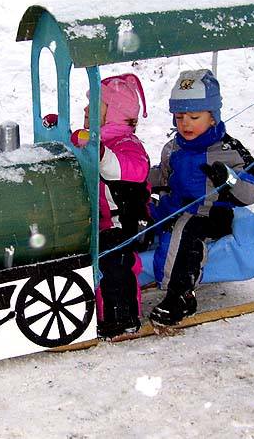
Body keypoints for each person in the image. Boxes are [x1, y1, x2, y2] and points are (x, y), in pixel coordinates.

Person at [148, 69, 254, 326]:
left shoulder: (228, 149)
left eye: (194, 117)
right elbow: (163, 177)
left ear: (213, 117)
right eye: (179, 117)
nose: (185, 124)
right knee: (142, 216)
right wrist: (137, 180)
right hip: (175, 208)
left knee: (187, 229)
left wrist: (229, 179)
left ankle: (180, 296)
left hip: (213, 214)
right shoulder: (174, 147)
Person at [72, 73, 151, 338]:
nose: (86, 109)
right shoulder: (90, 141)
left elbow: (133, 170)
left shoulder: (128, 145)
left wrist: (103, 155)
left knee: (114, 257)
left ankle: (122, 316)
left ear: (116, 113)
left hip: (126, 224)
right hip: (96, 221)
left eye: (95, 105)